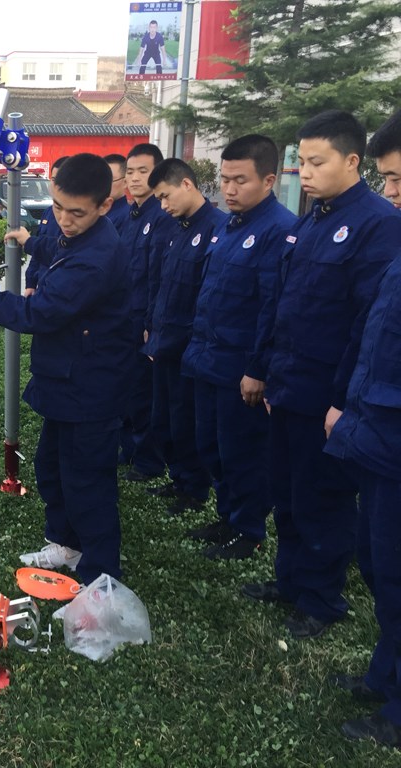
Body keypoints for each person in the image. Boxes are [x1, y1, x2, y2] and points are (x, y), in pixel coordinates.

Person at [0, 153, 134, 583]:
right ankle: (66, 545)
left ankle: (100, 577)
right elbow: (60, 245)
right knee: (53, 468)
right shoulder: (80, 235)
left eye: (76, 213)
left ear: (105, 206)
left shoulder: (97, 259)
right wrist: (31, 240)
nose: (64, 219)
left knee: (88, 484)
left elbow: (34, 315)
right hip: (65, 378)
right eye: (58, 207)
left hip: (90, 388)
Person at [243, 110, 401, 639]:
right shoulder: (311, 220)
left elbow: (366, 324)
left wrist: (342, 401)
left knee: (323, 499)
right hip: (288, 384)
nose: (305, 173)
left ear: (352, 161)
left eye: (317, 162)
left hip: (327, 394)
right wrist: (266, 371)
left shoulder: (378, 224)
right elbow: (285, 305)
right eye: (302, 162)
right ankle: (290, 580)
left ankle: (321, 598)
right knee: (287, 492)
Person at [324, 107, 401, 750]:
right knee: (378, 564)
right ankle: (385, 675)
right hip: (379, 434)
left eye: (400, 179)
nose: (392, 193)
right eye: (388, 179)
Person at [181, 135, 297, 559]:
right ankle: (227, 517)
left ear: (268, 180)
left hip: (240, 367)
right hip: (208, 360)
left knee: (242, 452)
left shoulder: (278, 230)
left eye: (240, 181)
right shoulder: (229, 226)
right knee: (211, 447)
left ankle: (248, 529)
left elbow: (272, 308)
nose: (228, 189)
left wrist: (258, 368)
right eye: (225, 179)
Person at [144, 158, 227, 515]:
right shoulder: (176, 229)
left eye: (166, 196)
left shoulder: (217, 228)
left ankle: (194, 488)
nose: (163, 206)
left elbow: (208, 297)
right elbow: (162, 284)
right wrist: (152, 326)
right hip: (165, 342)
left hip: (190, 347)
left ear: (188, 185)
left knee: (187, 422)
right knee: (164, 418)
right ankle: (178, 478)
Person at [119, 143, 173, 481]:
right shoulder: (131, 216)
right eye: (130, 172)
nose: (135, 178)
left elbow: (160, 277)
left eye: (143, 171)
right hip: (126, 319)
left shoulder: (162, 217)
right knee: (128, 390)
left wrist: (153, 323)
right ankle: (130, 449)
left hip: (145, 323)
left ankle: (149, 461)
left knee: (145, 396)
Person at [22, 156, 67, 296]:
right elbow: (38, 251)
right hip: (43, 286)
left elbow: (64, 252)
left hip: (62, 288)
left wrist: (28, 241)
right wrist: (31, 283)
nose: (56, 185)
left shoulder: (80, 217)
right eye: (53, 179)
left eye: (62, 180)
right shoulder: (48, 212)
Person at [104, 153, 131, 237]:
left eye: (110, 179)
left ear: (125, 182)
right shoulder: (94, 212)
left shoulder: (128, 216)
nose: (103, 184)